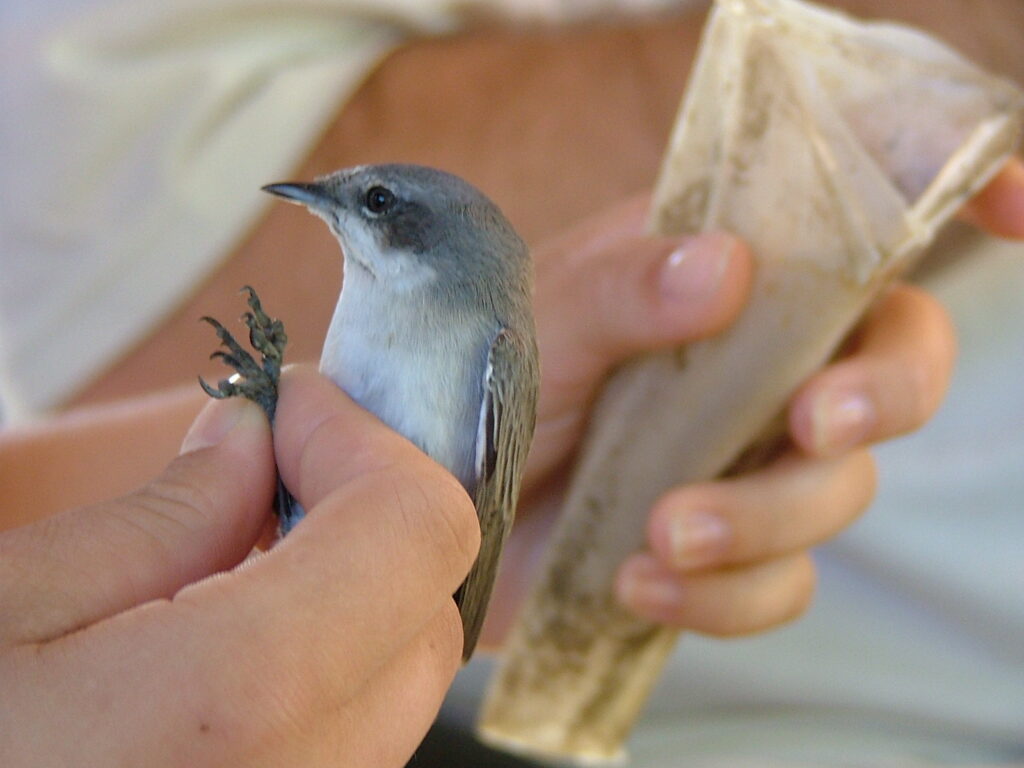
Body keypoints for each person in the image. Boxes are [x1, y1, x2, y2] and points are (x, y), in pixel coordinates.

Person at [1, 0, 1022, 765]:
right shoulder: (389, 281)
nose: (332, 213)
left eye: (364, 205)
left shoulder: (477, 328)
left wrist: (463, 589)